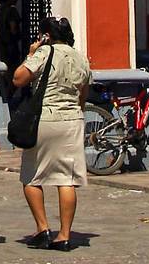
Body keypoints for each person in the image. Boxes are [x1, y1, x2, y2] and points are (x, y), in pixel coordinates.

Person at [11, 17, 92, 251]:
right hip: (72, 120)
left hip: (45, 119)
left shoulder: (44, 53)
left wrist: (31, 53)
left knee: (31, 176)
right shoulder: (81, 57)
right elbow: (83, 93)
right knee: (66, 179)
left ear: (46, 35)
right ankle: (64, 235)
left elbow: (18, 78)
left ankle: (43, 228)